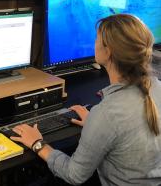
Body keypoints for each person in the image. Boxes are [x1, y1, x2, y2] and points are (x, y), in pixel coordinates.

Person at [11, 14, 161, 186]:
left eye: (97, 39)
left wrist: (37, 143)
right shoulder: (157, 88)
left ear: (108, 51)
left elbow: (74, 175)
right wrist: (96, 126)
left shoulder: (106, 114)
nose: (94, 43)